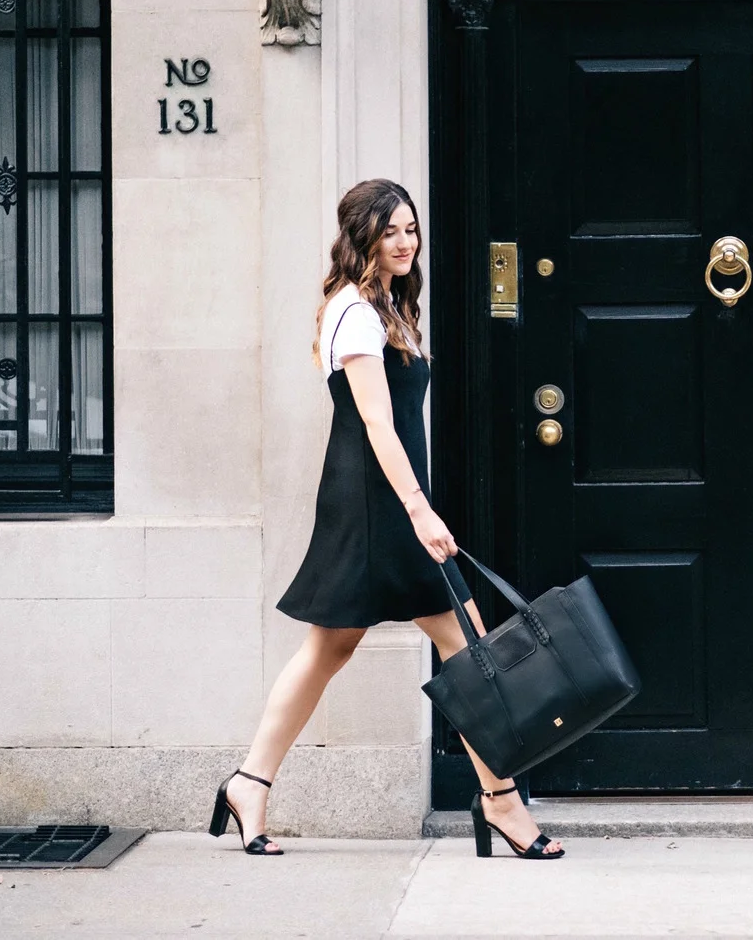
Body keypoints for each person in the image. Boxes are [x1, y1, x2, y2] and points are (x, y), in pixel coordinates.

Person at [208, 178, 563, 860]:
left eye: (411, 229)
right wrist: (420, 509)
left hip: (378, 502)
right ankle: (501, 800)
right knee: (465, 645)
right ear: (362, 237)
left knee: (341, 649)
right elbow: (377, 423)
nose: (406, 242)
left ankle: (249, 783)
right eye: (391, 231)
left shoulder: (386, 307)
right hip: (377, 508)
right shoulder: (356, 313)